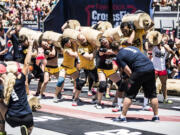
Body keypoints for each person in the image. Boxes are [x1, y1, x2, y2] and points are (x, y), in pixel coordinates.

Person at [109, 41, 159, 122]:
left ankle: (122, 117)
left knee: (129, 95)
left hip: (139, 70)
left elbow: (128, 71)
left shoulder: (119, 56)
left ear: (114, 51)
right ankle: (156, 116)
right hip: (150, 68)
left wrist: (132, 81)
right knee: (152, 94)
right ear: (120, 45)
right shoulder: (132, 47)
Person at [0, 39, 34, 135]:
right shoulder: (20, 80)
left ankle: (1, 131)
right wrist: (31, 45)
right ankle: (28, 129)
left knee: (0, 105)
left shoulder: (2, 86)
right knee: (30, 125)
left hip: (12, 118)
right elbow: (27, 63)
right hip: (27, 117)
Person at [147, 31, 178, 104]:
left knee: (164, 84)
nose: (165, 41)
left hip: (162, 69)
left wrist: (169, 60)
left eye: (165, 40)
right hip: (154, 68)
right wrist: (155, 41)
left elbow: (172, 53)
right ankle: (149, 98)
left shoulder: (165, 47)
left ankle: (165, 99)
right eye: (164, 39)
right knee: (151, 84)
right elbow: (148, 47)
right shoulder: (154, 46)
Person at [95, 36, 123, 111]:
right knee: (102, 85)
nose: (105, 43)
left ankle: (115, 101)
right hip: (101, 69)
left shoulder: (112, 47)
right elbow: (107, 52)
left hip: (110, 69)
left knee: (121, 84)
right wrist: (116, 51)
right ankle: (98, 102)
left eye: (106, 41)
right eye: (103, 43)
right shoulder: (101, 49)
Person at [73, 34, 98, 106]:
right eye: (80, 40)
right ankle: (75, 99)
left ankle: (95, 98)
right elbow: (89, 57)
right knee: (81, 83)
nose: (83, 41)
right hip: (83, 68)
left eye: (83, 39)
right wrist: (95, 50)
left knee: (100, 84)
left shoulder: (90, 45)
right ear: (78, 41)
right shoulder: (80, 48)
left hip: (92, 68)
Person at [54, 37, 79, 103]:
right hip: (64, 68)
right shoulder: (66, 50)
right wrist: (76, 49)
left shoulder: (71, 48)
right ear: (65, 44)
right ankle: (55, 95)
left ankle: (75, 95)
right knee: (60, 81)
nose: (70, 43)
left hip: (71, 68)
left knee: (77, 81)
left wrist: (75, 43)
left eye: (70, 42)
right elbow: (74, 55)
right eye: (68, 42)